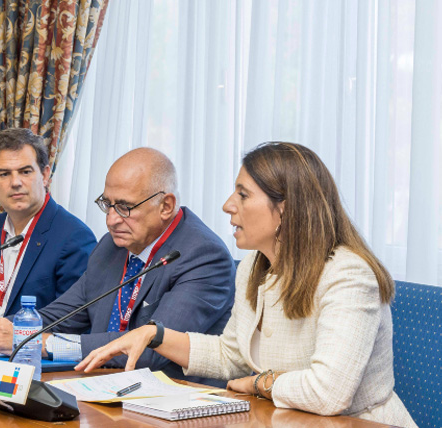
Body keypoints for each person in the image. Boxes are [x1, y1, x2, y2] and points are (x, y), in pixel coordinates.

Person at [76, 142, 416, 427]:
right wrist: (156, 335)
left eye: (243, 195)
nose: (228, 206)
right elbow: (232, 355)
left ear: (286, 209)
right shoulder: (257, 264)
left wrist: (259, 383)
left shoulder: (348, 275)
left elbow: (328, 392)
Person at [0, 148, 235, 383]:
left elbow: (152, 350)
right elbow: (62, 314)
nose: (111, 219)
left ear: (166, 206)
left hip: (168, 399)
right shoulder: (110, 247)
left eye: (125, 207)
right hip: (101, 386)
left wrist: (45, 344)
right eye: (107, 204)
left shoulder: (203, 256)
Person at [0, 128, 96, 338]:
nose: (15, 182)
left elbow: (73, 322)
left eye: (25, 172)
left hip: (28, 357)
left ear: (44, 175)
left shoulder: (74, 237)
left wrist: (9, 331)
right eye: (4, 174)